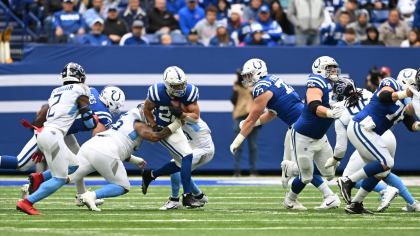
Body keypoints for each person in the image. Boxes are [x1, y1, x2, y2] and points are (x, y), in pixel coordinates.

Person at [230, 58, 341, 210]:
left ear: (258, 73)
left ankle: (296, 178)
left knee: (308, 169)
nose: (247, 79)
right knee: (307, 170)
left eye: (250, 75)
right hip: (300, 126)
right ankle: (325, 196)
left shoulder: (261, 88)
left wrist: (238, 140)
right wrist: (253, 122)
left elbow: (251, 119)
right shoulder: (273, 81)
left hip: (301, 127)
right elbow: (272, 112)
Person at [15, 86, 125, 207]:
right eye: (117, 105)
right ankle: (33, 185)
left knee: (78, 159)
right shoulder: (104, 115)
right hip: (52, 131)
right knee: (21, 163)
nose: (117, 109)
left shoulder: (92, 92)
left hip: (61, 131)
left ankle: (80, 194)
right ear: (111, 101)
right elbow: (97, 141)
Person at [66, 104, 182, 211]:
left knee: (65, 177)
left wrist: (133, 160)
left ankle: (47, 178)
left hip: (91, 145)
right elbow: (154, 137)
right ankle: (91, 196)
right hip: (106, 149)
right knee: (123, 186)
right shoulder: (139, 123)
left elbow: (122, 146)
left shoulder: (129, 118)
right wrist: (177, 124)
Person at [16, 63, 97, 215]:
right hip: (54, 134)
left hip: (44, 133)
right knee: (60, 178)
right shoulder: (82, 89)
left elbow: (40, 119)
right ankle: (27, 203)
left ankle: (38, 177)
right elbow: (88, 120)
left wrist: (40, 147)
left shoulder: (56, 91)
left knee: (74, 165)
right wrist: (95, 121)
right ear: (80, 75)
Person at [332, 76, 420, 212]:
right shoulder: (391, 84)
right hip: (361, 127)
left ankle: (355, 204)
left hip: (373, 134)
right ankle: (348, 181)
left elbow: (412, 125)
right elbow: (383, 96)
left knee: (381, 170)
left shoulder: (404, 103)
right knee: (387, 162)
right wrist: (405, 93)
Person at [281, 56, 344, 210]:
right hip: (303, 135)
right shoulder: (316, 82)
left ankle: (292, 168)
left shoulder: (336, 85)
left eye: (334, 67)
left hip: (320, 137)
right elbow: (313, 106)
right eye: (330, 68)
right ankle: (290, 200)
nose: (334, 71)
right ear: (320, 69)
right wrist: (331, 113)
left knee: (329, 173)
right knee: (306, 176)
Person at [141, 66, 205, 208]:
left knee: (181, 163)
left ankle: (150, 175)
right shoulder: (157, 93)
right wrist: (153, 125)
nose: (180, 88)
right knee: (186, 156)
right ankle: (188, 196)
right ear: (168, 85)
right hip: (164, 130)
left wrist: (182, 115)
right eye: (176, 86)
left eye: (182, 84)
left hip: (176, 126)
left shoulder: (189, 92)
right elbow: (147, 108)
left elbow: (195, 117)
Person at [159, 118, 214, 210]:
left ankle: (174, 200)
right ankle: (199, 195)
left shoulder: (185, 115)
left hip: (203, 150)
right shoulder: (184, 114)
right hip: (194, 146)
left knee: (176, 165)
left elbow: (178, 120)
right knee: (182, 169)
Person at [229, 69, 259, 177]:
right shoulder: (238, 87)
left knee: (253, 146)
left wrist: (252, 91)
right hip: (239, 117)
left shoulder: (255, 88)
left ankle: (254, 170)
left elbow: (260, 101)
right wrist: (236, 88)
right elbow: (232, 100)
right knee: (237, 145)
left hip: (252, 117)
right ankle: (237, 171)